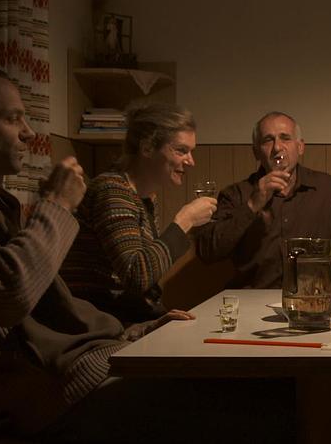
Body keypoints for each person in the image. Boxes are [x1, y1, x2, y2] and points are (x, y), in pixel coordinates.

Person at [0, 66, 287, 442]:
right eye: (13, 119)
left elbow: (48, 306)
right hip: (53, 388)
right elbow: (13, 295)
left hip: (85, 357)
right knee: (254, 409)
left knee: (258, 391)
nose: (29, 133)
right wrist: (57, 205)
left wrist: (139, 330)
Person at [60, 103, 216, 323]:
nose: (191, 161)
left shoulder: (144, 197)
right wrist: (185, 220)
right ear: (147, 148)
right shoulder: (112, 190)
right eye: (181, 150)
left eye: (191, 152)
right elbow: (137, 276)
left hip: (123, 317)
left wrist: (155, 319)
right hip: (97, 322)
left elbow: (142, 282)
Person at [194, 111, 331, 288]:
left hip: (311, 298)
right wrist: (252, 205)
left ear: (300, 147)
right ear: (256, 152)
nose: (277, 147)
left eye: (285, 138)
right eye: (268, 140)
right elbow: (207, 252)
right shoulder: (237, 194)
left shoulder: (326, 189)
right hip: (252, 299)